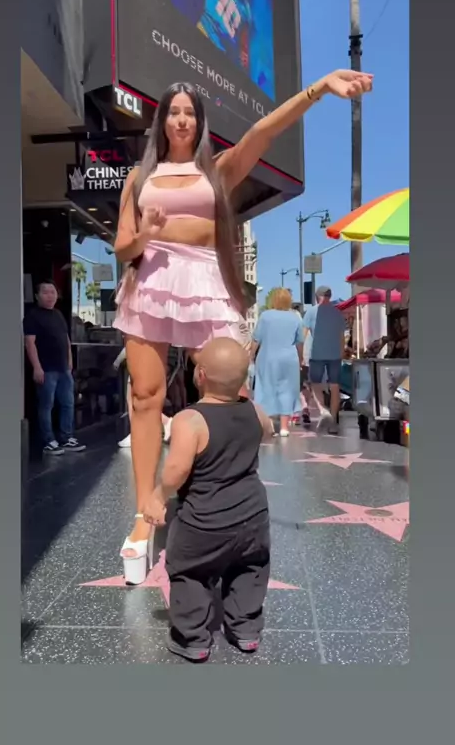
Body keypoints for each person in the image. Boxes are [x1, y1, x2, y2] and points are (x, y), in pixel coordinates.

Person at [113, 70, 373, 583]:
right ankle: (144, 514)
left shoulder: (218, 171)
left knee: (227, 391)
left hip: (204, 281)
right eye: (173, 111)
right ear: (162, 120)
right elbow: (123, 245)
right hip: (150, 281)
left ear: (199, 121)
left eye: (190, 112)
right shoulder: (139, 178)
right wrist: (146, 233)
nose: (181, 120)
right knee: (144, 395)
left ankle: (220, 502)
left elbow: (263, 132)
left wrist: (319, 89)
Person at [143, 338, 273, 662]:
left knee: (190, 572)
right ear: (243, 379)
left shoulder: (190, 419)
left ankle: (192, 639)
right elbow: (268, 433)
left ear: (200, 375)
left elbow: (177, 470)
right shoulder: (256, 411)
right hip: (253, 517)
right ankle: (245, 630)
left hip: (204, 521)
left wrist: (158, 496)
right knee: (249, 568)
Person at [23, 280, 86, 455]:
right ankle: (48, 441)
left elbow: (66, 339)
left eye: (53, 292)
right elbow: (30, 343)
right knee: (46, 405)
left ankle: (66, 438)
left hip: (63, 368)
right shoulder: (32, 316)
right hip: (46, 369)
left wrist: (70, 360)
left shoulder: (58, 314)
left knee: (68, 403)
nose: (50, 296)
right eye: (45, 292)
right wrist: (37, 367)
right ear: (37, 296)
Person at [251, 288, 304, 436]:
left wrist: (251, 355)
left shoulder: (265, 316)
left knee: (265, 388)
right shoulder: (295, 318)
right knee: (286, 390)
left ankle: (268, 425)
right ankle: (284, 427)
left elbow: (256, 339)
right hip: (289, 359)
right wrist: (300, 359)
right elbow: (300, 342)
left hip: (267, 358)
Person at [303, 285, 346, 434]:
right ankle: (332, 421)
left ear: (317, 297)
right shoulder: (337, 313)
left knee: (315, 383)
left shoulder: (311, 312)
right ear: (330, 296)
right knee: (335, 387)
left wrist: (301, 355)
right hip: (335, 355)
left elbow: (303, 334)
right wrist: (341, 352)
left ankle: (323, 411)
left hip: (316, 354)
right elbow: (342, 337)